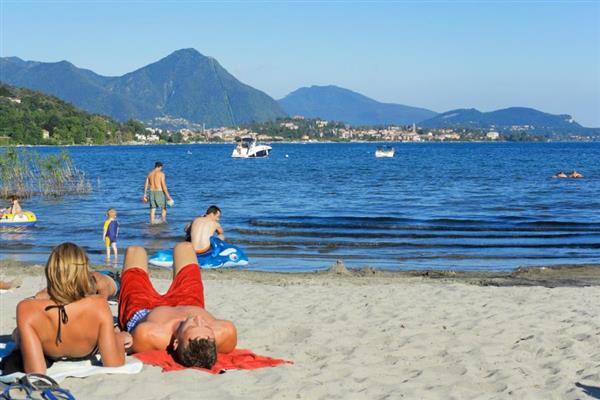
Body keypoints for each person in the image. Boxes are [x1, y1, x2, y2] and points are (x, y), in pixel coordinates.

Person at [11, 243, 128, 374]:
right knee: (115, 331)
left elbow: (36, 371)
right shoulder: (98, 304)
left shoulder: (26, 308)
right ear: (84, 274)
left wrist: (22, 342)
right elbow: (113, 363)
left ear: (49, 272)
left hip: (49, 350)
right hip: (88, 349)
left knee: (18, 333)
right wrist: (120, 338)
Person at [118, 242, 237, 369]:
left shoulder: (148, 334)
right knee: (185, 247)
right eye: (207, 326)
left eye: (192, 326)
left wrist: (118, 335)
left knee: (135, 250)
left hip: (143, 308)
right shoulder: (226, 332)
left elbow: (118, 343)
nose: (198, 319)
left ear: (176, 343)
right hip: (189, 302)